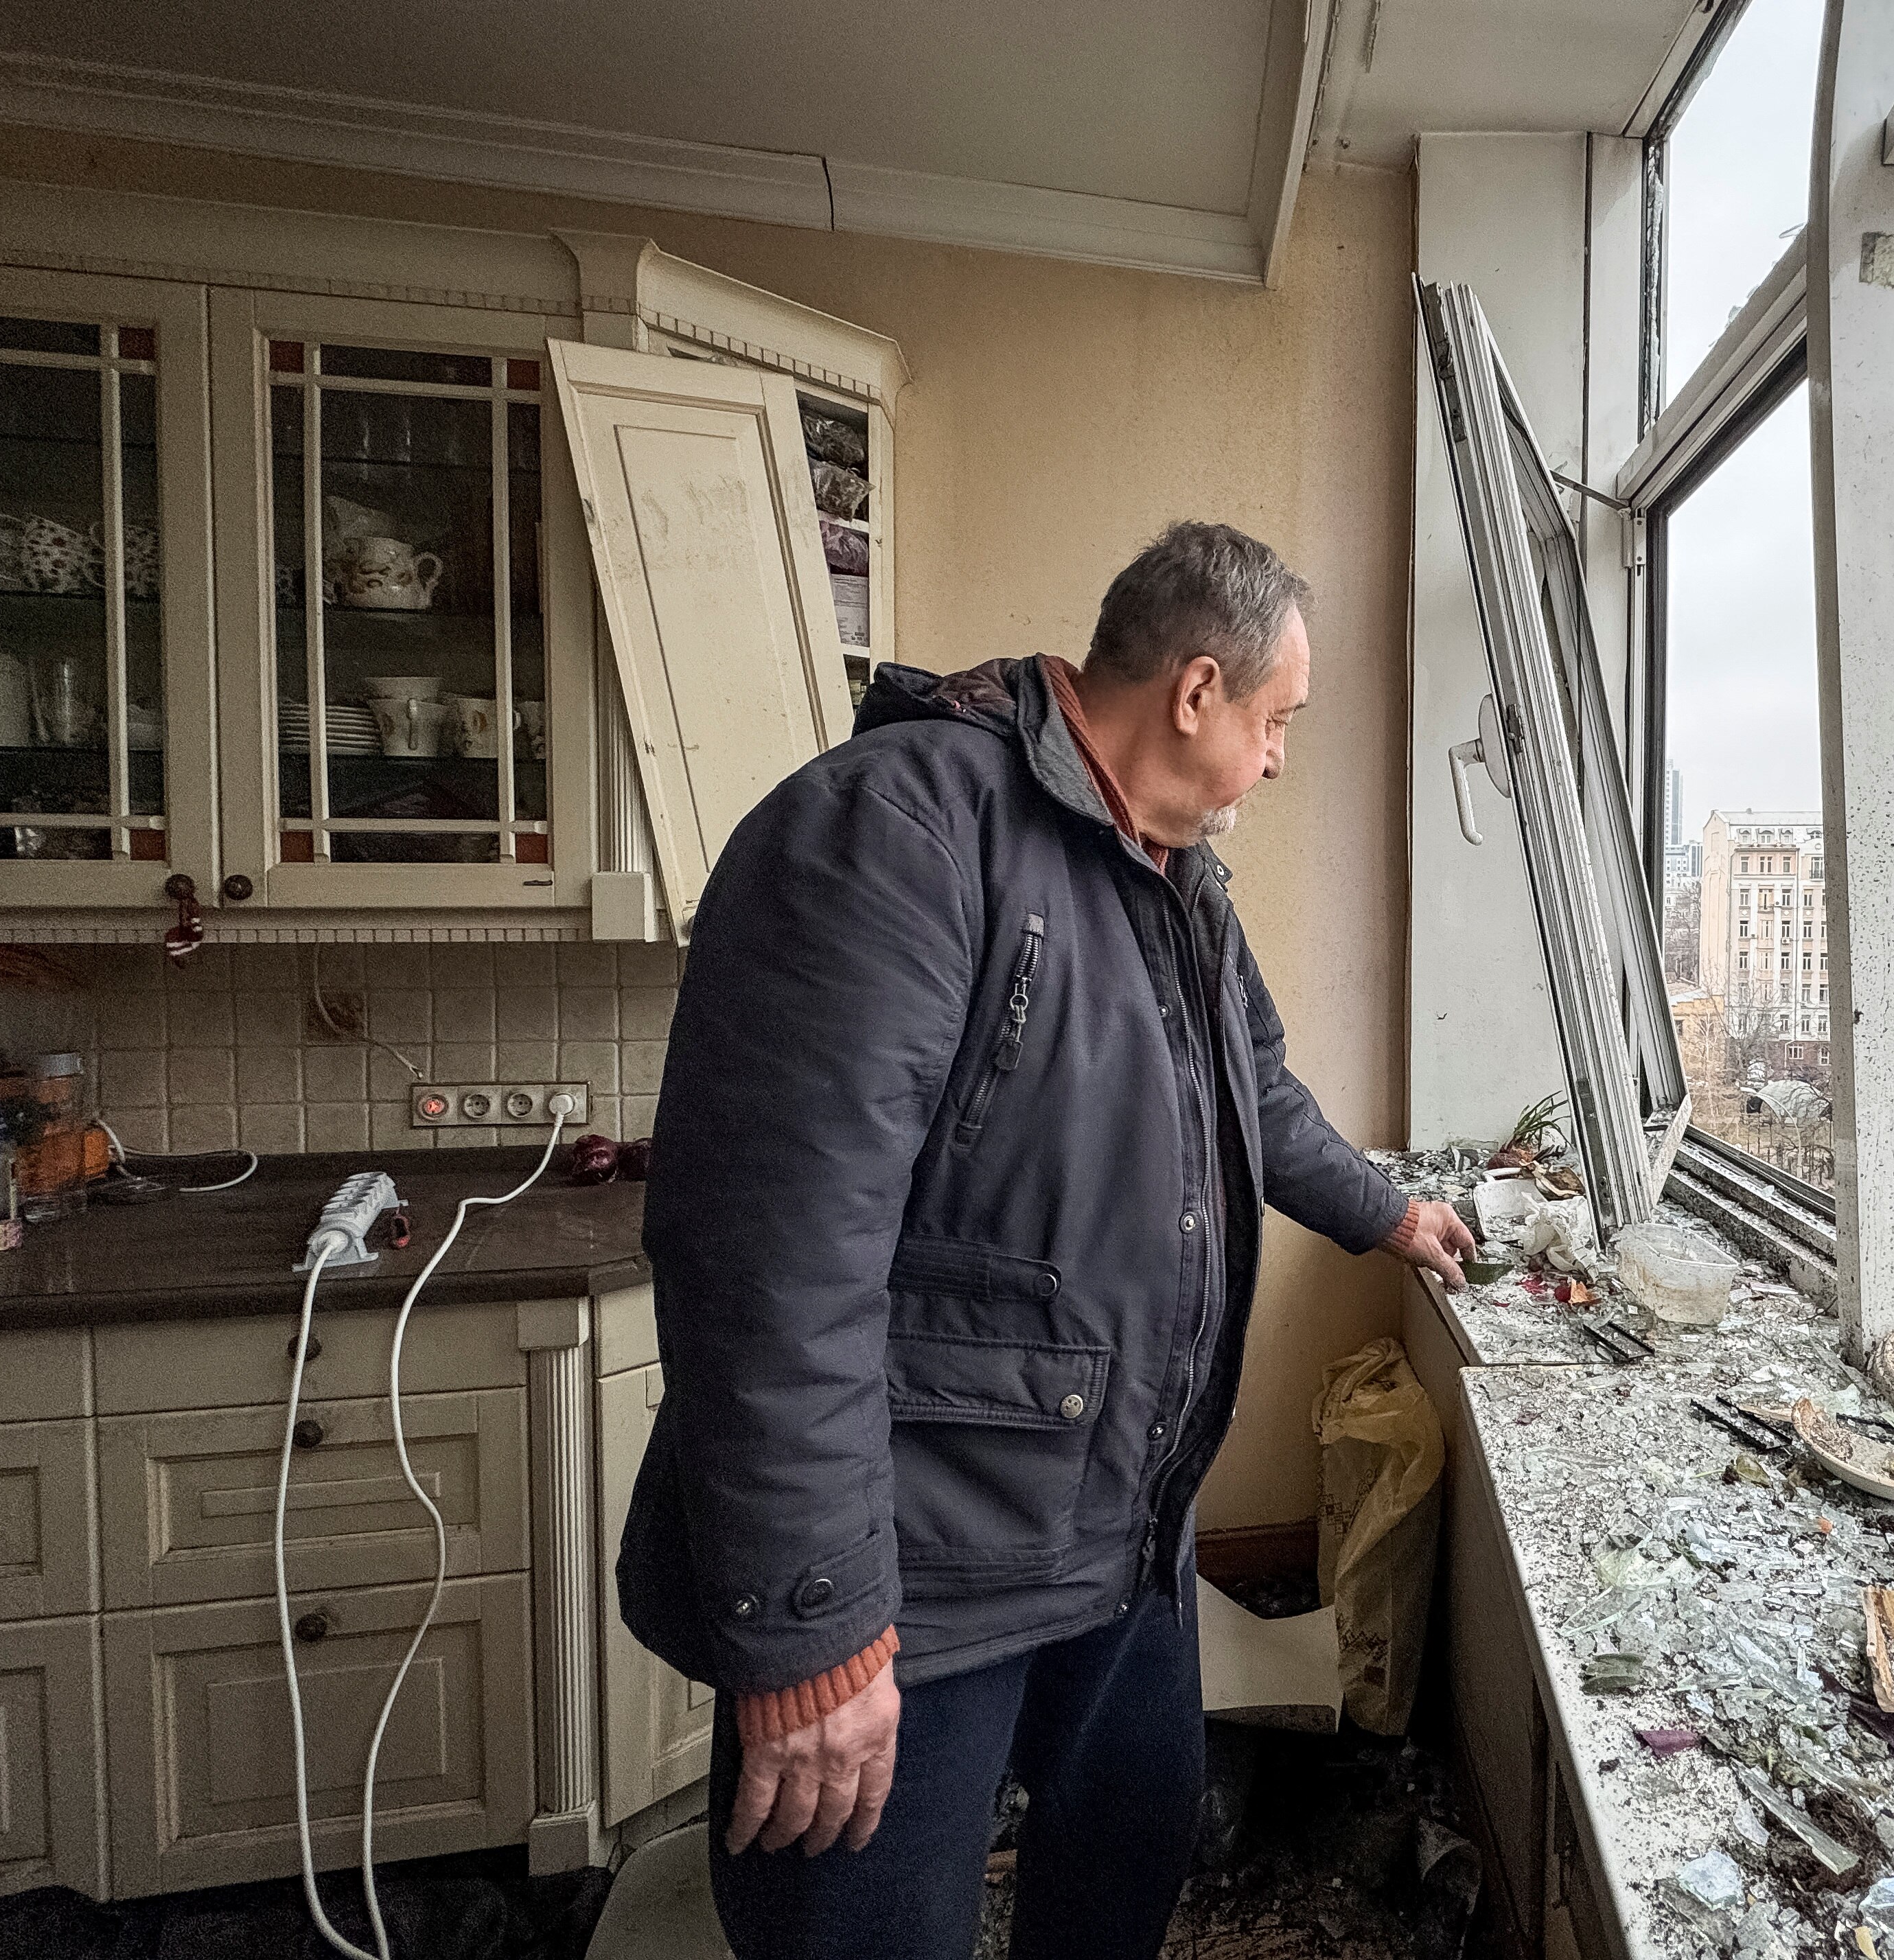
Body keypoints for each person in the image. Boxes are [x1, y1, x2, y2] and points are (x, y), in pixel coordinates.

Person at [620, 522, 1477, 1960]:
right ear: (1197, 692)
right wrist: (815, 1636)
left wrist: (1386, 1211)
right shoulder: (897, 827)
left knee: (1130, 1855)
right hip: (924, 1564)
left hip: (1119, 1528)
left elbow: (1253, 1088)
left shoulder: (1179, 878)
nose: (1278, 758)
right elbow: (769, 1264)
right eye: (1277, 722)